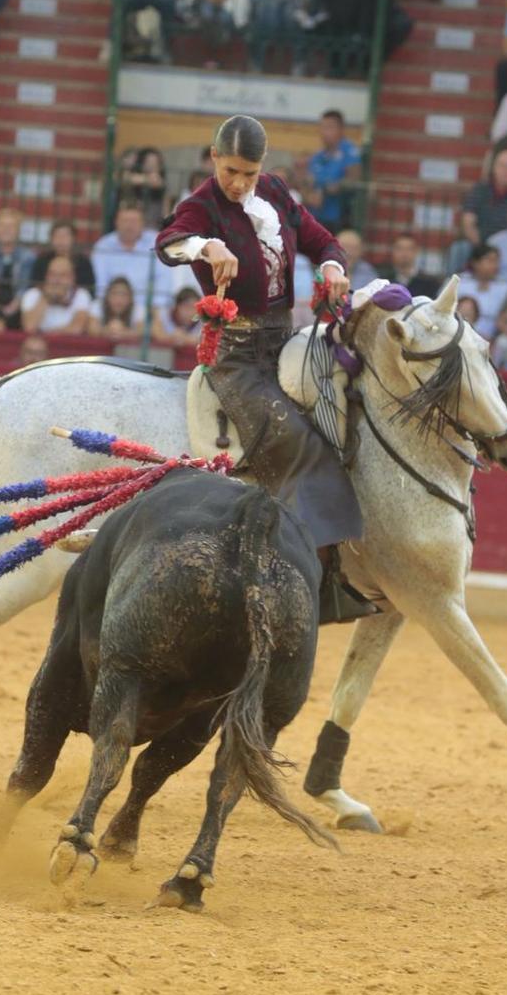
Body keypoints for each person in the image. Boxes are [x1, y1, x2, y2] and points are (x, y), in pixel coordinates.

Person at [154, 115, 369, 622]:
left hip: (286, 342)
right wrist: (206, 246)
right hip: (236, 357)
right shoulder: (200, 206)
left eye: (249, 173)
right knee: (297, 443)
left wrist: (333, 266)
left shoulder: (274, 191)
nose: (240, 183)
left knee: (346, 412)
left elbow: (321, 241)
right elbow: (167, 244)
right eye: (231, 171)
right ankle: (317, 583)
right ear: (213, 158)